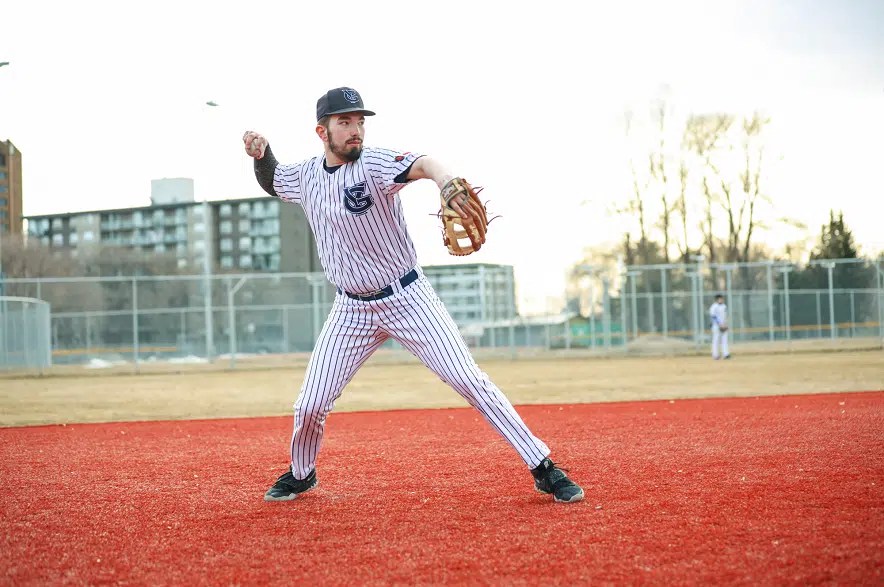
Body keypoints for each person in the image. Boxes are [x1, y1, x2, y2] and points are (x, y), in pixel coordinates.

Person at [242, 87, 584, 504]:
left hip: (408, 298)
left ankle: (543, 467)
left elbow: (422, 163)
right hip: (351, 309)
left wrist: (445, 180)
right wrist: (261, 154)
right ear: (322, 130)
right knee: (310, 403)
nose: (355, 130)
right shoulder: (307, 176)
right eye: (344, 122)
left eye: (360, 121)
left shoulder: (374, 164)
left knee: (467, 379)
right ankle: (302, 473)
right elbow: (273, 179)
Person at [709, 294, 730, 360]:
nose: (721, 300)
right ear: (717, 299)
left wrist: (725, 324)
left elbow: (725, 316)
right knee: (716, 340)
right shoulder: (713, 306)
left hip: (724, 325)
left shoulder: (724, 306)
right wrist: (719, 324)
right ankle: (715, 355)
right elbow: (713, 316)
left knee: (725, 340)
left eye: (722, 299)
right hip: (716, 326)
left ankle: (726, 354)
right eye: (720, 299)